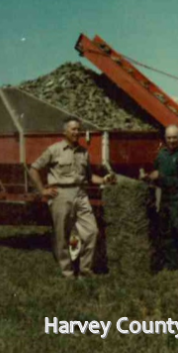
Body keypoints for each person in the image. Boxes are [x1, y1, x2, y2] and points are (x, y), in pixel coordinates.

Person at [30, 116, 116, 278]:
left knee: (92, 231)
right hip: (60, 195)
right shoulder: (54, 150)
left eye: (79, 129)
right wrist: (42, 190)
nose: (77, 132)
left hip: (81, 194)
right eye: (73, 129)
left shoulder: (84, 153)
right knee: (62, 236)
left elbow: (90, 177)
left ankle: (85, 270)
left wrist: (104, 179)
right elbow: (34, 168)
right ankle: (67, 272)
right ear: (65, 132)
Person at [141, 125, 178, 272]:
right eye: (169, 138)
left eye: (174, 137)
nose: (171, 140)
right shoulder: (162, 154)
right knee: (166, 229)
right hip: (166, 196)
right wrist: (148, 176)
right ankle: (171, 263)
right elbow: (157, 173)